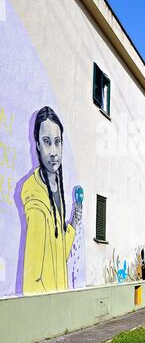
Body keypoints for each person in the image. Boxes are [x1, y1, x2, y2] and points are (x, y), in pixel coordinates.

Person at [21, 106, 82, 294]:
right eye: (47, 142)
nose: (54, 151)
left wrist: (75, 220)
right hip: (46, 306)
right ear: (37, 144)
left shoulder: (56, 186)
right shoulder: (36, 199)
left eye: (57, 142)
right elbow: (32, 279)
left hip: (59, 299)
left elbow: (59, 254)